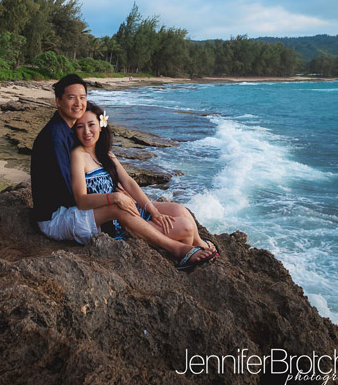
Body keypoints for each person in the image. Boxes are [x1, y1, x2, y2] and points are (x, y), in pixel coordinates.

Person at [70, 100, 219, 270]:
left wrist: (152, 210)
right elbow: (81, 200)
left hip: (132, 208)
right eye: (80, 127)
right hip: (118, 222)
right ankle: (182, 257)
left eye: (91, 125)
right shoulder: (78, 156)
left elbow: (129, 182)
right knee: (185, 227)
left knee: (180, 210)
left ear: (101, 125)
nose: (87, 132)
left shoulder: (105, 153)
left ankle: (199, 244)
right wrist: (115, 197)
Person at [31, 73, 101, 244]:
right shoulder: (55, 137)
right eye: (71, 98)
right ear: (58, 101)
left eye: (82, 97)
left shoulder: (70, 129)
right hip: (56, 215)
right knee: (121, 213)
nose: (78, 103)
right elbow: (67, 189)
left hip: (67, 208)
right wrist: (102, 199)